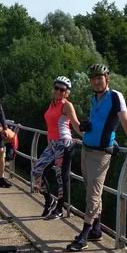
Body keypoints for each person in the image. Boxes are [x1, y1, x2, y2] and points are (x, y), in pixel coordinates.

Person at [67, 64, 127, 252]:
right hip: (86, 148)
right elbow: (98, 120)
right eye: (93, 78)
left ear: (106, 78)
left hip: (101, 154)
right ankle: (96, 229)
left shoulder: (115, 97)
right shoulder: (94, 98)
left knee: (93, 194)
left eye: (99, 77)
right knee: (92, 190)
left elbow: (124, 119)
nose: (96, 81)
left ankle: (83, 236)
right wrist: (87, 125)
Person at [31, 76, 81, 220]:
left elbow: (76, 124)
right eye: (56, 88)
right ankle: (49, 200)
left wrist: (89, 136)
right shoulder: (52, 104)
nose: (59, 91)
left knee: (61, 178)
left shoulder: (67, 105)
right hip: (52, 145)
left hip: (64, 145)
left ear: (67, 92)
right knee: (37, 170)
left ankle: (59, 209)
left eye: (62, 89)